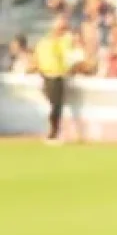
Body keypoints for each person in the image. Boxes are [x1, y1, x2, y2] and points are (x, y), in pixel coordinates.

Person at [33, 14, 82, 144]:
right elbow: (39, 57)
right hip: (47, 75)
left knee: (56, 105)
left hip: (58, 75)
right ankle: (53, 131)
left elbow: (71, 56)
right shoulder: (45, 41)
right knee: (54, 105)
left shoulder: (65, 40)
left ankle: (54, 132)